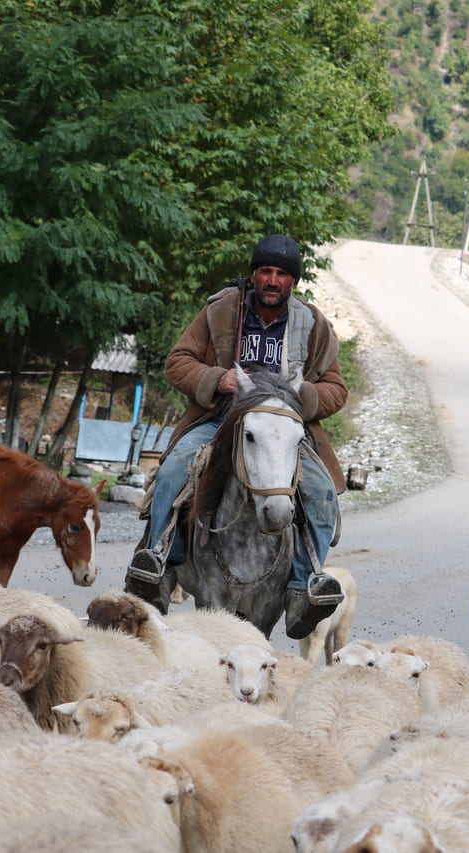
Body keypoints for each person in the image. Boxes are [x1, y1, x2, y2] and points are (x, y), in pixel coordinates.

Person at [126, 234, 347, 640]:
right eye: (266, 271)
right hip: (221, 418)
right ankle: (159, 562)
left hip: (281, 426)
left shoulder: (312, 324)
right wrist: (216, 377)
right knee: (175, 469)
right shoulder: (221, 309)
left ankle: (304, 585)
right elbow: (178, 361)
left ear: (292, 281)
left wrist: (305, 396)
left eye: (282, 273)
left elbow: (337, 388)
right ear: (254, 273)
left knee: (320, 491)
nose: (272, 280)